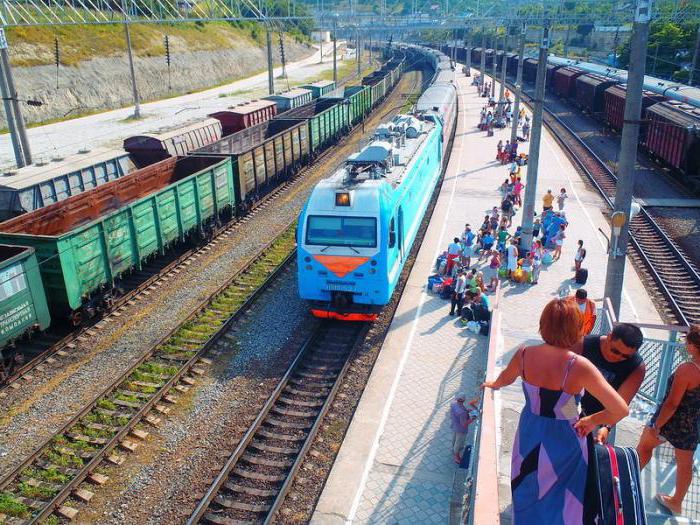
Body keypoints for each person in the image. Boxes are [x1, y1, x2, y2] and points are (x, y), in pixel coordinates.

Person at [482, 299, 629, 524]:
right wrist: (591, 420)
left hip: (530, 432)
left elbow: (506, 378)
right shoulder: (579, 365)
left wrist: (492, 384)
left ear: (544, 324)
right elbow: (620, 409)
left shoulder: (524, 353)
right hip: (567, 436)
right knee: (565, 498)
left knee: (528, 486)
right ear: (578, 328)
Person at [636, 324, 700, 517]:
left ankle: (625, 481)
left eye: (687, 341)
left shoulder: (688, 369)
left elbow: (672, 403)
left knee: (644, 448)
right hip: (692, 423)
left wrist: (657, 425)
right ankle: (676, 502)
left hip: (671, 421)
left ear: (693, 346)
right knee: (685, 464)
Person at [571, 323, 644, 445]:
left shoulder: (637, 367)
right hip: (570, 408)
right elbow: (562, 381)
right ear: (609, 337)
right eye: (615, 351)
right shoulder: (584, 344)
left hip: (603, 418)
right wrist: (569, 414)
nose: (618, 357)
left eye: (626, 356)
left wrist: (607, 427)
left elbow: (622, 403)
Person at [450, 392, 479, 463]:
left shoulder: (453, 403)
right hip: (461, 429)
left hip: (455, 425)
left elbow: (458, 411)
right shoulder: (462, 412)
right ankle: (456, 457)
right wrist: (473, 418)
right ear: (464, 400)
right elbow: (464, 424)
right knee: (459, 442)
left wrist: (466, 411)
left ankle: (453, 449)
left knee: (455, 439)